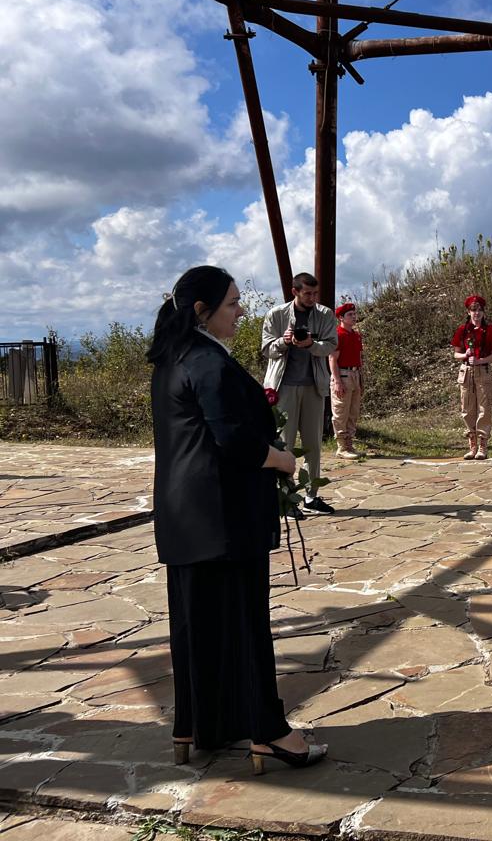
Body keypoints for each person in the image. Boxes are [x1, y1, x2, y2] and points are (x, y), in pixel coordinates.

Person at [149, 266, 326, 773]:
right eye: (231, 303)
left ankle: (196, 724)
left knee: (197, 625)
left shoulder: (171, 357)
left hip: (184, 515)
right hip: (223, 516)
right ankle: (269, 733)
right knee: (246, 626)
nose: (241, 310)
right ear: (201, 311)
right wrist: (283, 460)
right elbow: (234, 439)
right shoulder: (209, 362)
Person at [261, 272, 337, 515]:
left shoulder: (325, 314)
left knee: (313, 444)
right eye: (307, 294)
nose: (313, 298)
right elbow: (266, 349)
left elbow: (331, 345)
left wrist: (311, 345)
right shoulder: (276, 314)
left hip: (314, 387)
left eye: (315, 293)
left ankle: (311, 496)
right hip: (283, 388)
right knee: (285, 444)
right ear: (295, 292)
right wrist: (284, 342)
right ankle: (287, 498)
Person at [451, 294, 492, 460]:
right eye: (473, 310)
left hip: (483, 371)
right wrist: (465, 355)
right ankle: (472, 444)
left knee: (484, 408)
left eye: (479, 310)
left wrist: (481, 360)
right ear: (468, 312)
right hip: (466, 372)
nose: (476, 313)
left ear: (483, 312)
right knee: (467, 408)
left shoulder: (490, 330)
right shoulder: (462, 330)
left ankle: (482, 445)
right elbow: (456, 354)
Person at [329, 302, 364, 459]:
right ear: (341, 318)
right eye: (350, 315)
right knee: (340, 411)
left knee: (353, 411)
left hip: (355, 374)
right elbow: (332, 359)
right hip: (343, 374)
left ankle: (349, 444)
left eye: (354, 314)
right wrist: (337, 381)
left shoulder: (356, 335)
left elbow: (359, 357)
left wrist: (361, 379)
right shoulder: (338, 334)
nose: (354, 317)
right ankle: (341, 447)